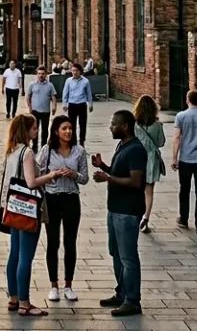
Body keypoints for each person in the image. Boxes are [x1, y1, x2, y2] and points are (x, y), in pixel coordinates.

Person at [1, 115, 66, 318]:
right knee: (25, 257)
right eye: (34, 128)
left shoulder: (11, 151)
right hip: (27, 209)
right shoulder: (26, 152)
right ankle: (24, 302)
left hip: (13, 207)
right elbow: (31, 182)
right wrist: (51, 175)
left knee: (15, 252)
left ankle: (13, 297)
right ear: (25, 130)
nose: (37, 131)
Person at [92, 110, 147, 317]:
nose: (110, 127)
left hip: (127, 211)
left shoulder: (135, 150)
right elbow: (120, 173)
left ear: (124, 127)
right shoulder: (122, 146)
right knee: (116, 253)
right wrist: (104, 166)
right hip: (114, 209)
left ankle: (133, 300)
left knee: (128, 257)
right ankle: (122, 292)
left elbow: (135, 181)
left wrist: (108, 178)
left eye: (114, 124)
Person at [39, 116, 88, 303]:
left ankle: (68, 285)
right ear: (56, 131)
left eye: (70, 128)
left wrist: (74, 174)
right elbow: (39, 175)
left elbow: (84, 178)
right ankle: (54, 285)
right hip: (52, 200)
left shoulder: (79, 151)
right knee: (53, 243)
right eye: (64, 128)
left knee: (70, 242)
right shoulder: (47, 151)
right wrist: (54, 176)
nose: (68, 132)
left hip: (71, 199)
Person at [170, 91, 197, 234]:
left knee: (185, 189)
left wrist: (174, 158)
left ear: (187, 100)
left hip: (186, 159)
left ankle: (183, 218)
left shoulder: (181, 116)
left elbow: (177, 138)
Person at [132, 96, 165, 234]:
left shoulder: (134, 125)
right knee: (149, 192)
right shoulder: (157, 125)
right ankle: (145, 219)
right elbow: (160, 143)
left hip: (136, 160)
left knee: (135, 191)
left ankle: (135, 217)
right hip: (151, 160)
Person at [60, 64, 93, 147]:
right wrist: (64, 103)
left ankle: (82, 141)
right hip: (72, 104)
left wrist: (90, 104)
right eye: (73, 70)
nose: (74, 72)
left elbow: (88, 93)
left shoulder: (85, 81)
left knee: (82, 124)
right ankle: (73, 141)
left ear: (80, 71)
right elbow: (65, 92)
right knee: (72, 124)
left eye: (76, 71)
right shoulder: (68, 81)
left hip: (82, 104)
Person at [26, 68, 58, 150]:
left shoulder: (50, 85)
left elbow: (53, 96)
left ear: (46, 74)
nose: (41, 75)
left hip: (45, 111)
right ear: (37, 74)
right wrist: (30, 107)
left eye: (43, 73)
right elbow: (28, 97)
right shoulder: (32, 85)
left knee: (45, 129)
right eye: (39, 73)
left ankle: (44, 145)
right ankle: (35, 145)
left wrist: (54, 106)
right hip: (35, 110)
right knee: (34, 129)